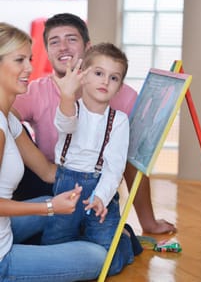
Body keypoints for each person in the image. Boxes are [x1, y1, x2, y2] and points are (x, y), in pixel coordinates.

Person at [12, 12, 176, 234]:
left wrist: (149, 222)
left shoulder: (123, 96)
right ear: (48, 52)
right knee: (11, 124)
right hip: (50, 181)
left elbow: (132, 163)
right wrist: (46, 170)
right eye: (54, 42)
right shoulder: (36, 91)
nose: (63, 47)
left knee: (119, 240)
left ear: (88, 47)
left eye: (71, 39)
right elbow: (5, 117)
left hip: (96, 184)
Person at [0, 22, 107, 282]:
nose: (29, 68)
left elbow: (49, 172)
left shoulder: (9, 120)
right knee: (97, 257)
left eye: (30, 59)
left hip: (4, 229)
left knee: (51, 204)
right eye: (19, 60)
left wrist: (98, 184)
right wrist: (50, 207)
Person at [41, 43, 142, 275]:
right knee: (51, 247)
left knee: (109, 264)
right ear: (82, 76)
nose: (105, 81)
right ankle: (80, 244)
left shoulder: (119, 121)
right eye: (98, 73)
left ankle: (125, 240)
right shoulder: (70, 108)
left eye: (113, 77)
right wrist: (67, 94)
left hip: (99, 191)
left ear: (119, 88)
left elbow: (114, 168)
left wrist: (100, 197)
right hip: (66, 188)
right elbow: (65, 123)